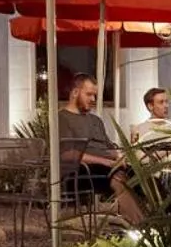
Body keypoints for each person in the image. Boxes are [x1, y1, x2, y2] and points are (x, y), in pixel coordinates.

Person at [56, 73, 142, 223]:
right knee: (120, 179)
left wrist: (120, 155)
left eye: (94, 95)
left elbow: (109, 148)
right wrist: (105, 162)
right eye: (89, 94)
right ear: (75, 92)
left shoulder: (95, 120)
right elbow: (67, 154)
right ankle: (141, 227)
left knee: (146, 177)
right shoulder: (62, 119)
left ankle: (163, 224)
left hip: (106, 167)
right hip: (79, 171)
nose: (93, 100)